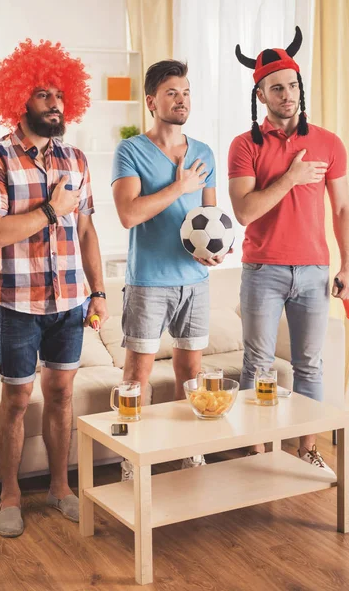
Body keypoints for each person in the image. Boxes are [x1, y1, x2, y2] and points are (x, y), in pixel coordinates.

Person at [0, 39, 109, 537]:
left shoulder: (76, 159)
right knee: (15, 398)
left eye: (60, 95)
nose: (56, 104)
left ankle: (59, 487)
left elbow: (88, 230)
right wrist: (52, 209)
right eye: (44, 95)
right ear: (19, 99)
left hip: (70, 301)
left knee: (61, 393)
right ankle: (10, 494)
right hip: (17, 303)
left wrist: (98, 290)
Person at [228, 27, 349, 471]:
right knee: (257, 365)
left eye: (293, 85)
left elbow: (342, 208)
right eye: (277, 87)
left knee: (310, 367)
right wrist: (291, 178)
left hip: (315, 271)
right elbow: (244, 211)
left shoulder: (328, 142)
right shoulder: (245, 146)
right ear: (260, 94)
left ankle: (307, 450)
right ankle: (258, 452)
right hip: (262, 270)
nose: (288, 94)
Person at [112, 59, 225, 480]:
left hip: (194, 282)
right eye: (172, 93)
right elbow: (128, 214)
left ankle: (187, 452)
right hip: (148, 283)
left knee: (190, 372)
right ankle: (131, 459)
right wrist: (178, 186)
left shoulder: (204, 153)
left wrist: (215, 251)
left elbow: (210, 218)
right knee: (136, 375)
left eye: (186, 92)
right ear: (151, 101)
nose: (182, 100)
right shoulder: (131, 151)